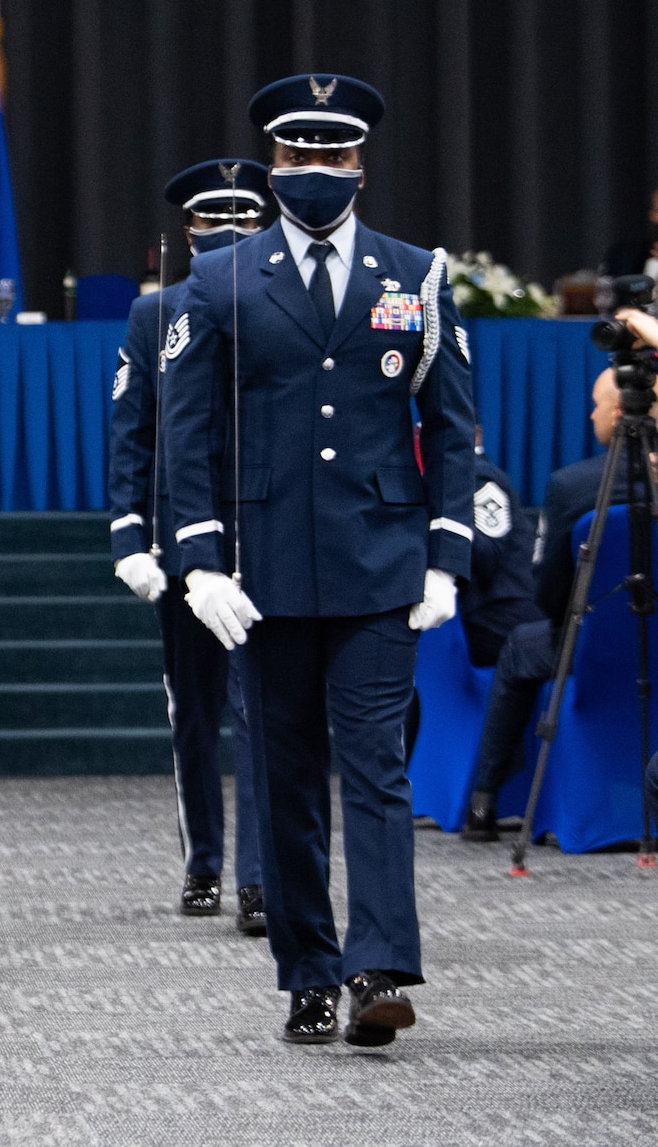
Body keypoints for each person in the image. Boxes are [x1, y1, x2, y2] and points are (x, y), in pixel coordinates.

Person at [164, 73, 476, 1048]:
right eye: (295, 156)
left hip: (378, 562)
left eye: (329, 155)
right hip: (262, 571)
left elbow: (451, 425)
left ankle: (377, 963)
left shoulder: (413, 274)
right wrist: (198, 560)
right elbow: (185, 436)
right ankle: (305, 965)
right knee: (285, 778)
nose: (313, 171)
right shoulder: (220, 280)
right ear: (271, 167)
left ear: (359, 167)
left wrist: (445, 554)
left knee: (376, 767)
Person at [109, 159, 269, 935]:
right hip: (183, 540)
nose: (229, 234)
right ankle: (204, 861)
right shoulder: (155, 315)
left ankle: (260, 877)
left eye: (244, 219)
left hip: (268, 535)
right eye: (213, 222)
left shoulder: (286, 305)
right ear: (189, 233)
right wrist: (130, 535)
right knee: (195, 714)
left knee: (263, 709)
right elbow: (133, 429)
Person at [462, 372, 623, 839]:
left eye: (595, 404)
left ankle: (485, 800)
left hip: (587, 646)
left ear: (618, 411)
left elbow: (549, 596)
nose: (590, 413)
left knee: (520, 643)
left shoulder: (573, 487)